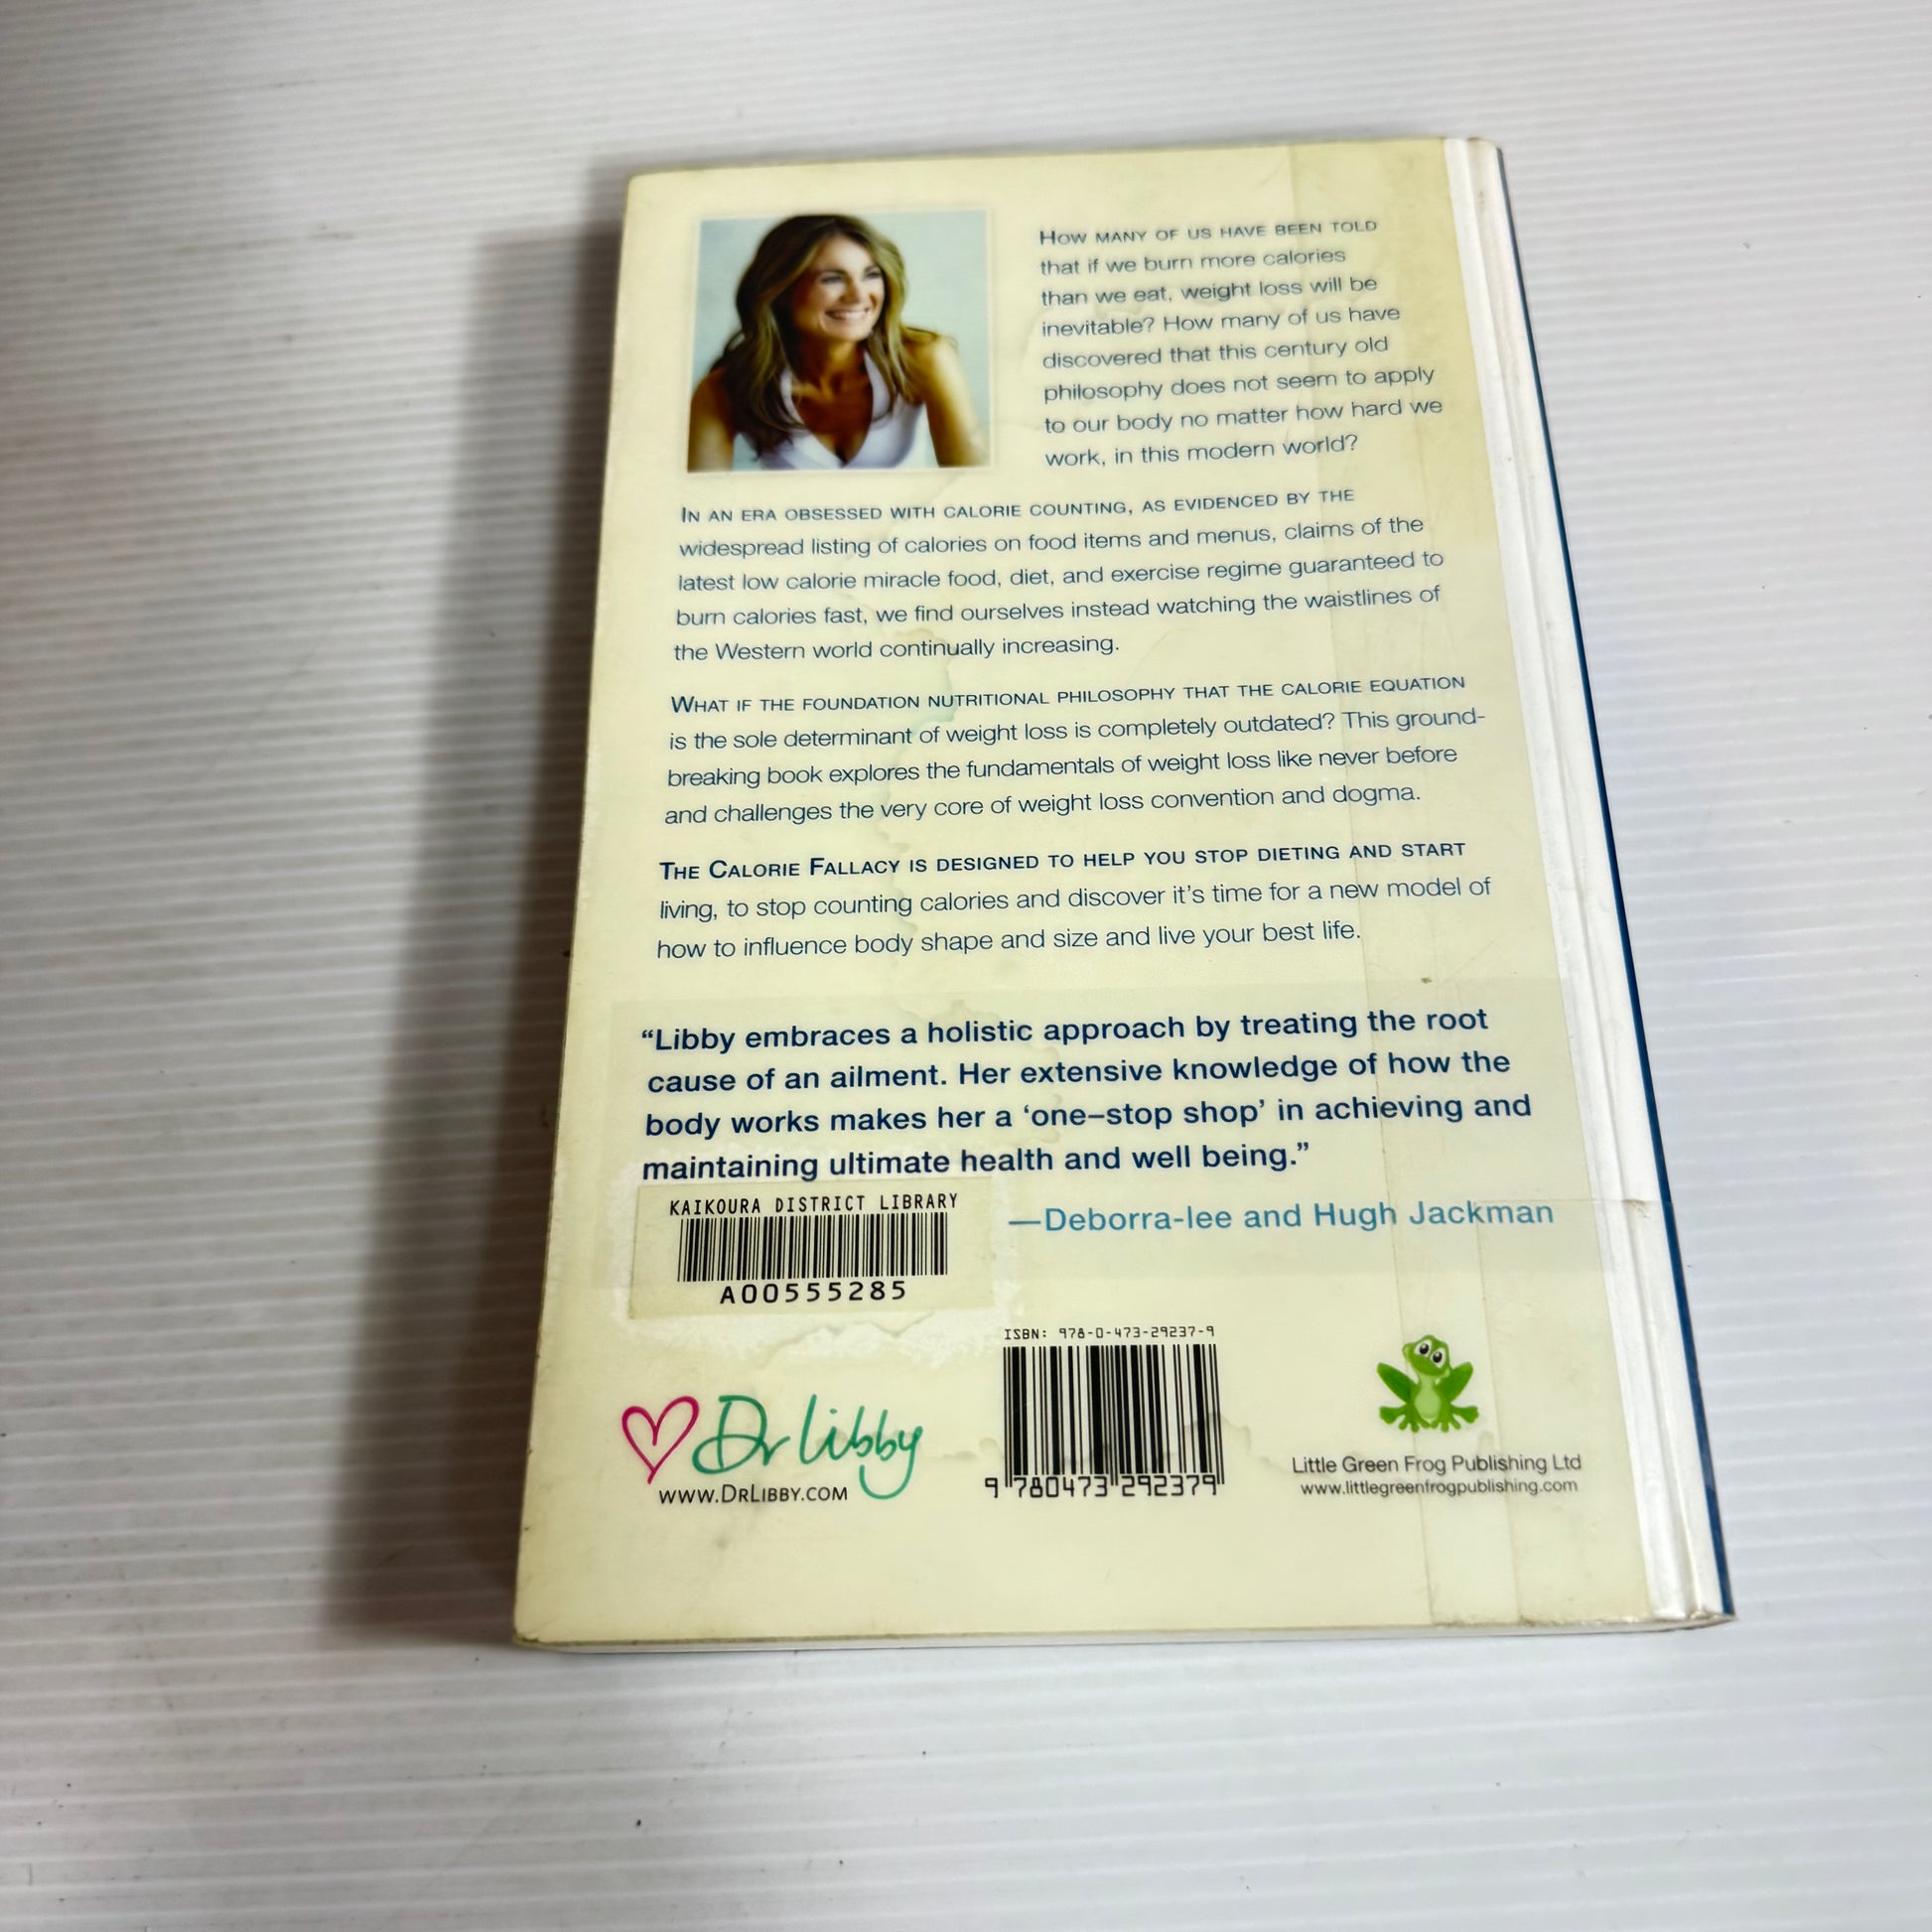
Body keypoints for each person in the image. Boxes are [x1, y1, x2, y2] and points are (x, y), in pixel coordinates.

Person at [688, 213, 986, 471]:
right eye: (832, 279)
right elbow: (697, 505)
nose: (859, 296)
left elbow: (975, 487)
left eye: (871, 275)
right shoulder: (725, 389)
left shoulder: (924, 358)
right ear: (780, 292)